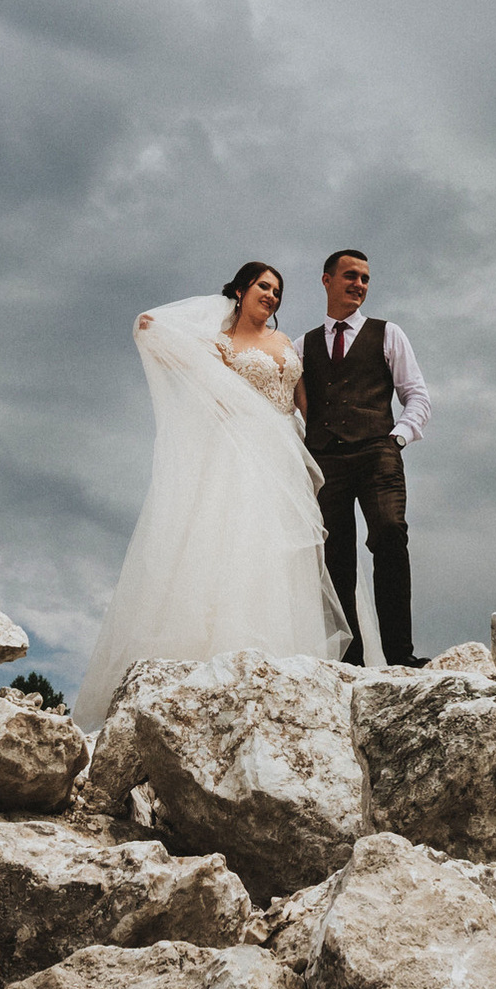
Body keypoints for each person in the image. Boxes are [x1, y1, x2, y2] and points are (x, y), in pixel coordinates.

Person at [73, 260, 353, 728]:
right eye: (263, 286)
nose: (271, 296)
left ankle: (279, 676)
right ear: (240, 292)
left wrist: (326, 449)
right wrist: (155, 329)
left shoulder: (285, 343)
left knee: (280, 554)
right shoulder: (219, 344)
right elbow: (159, 339)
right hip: (238, 455)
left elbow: (303, 403)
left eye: (277, 291)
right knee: (231, 545)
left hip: (285, 457)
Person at [297, 247, 431, 669]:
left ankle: (400, 655)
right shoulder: (303, 346)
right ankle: (350, 662)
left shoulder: (388, 333)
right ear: (327, 280)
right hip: (325, 460)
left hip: (378, 453)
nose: (359, 285)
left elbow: (416, 395)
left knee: (390, 534)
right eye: (351, 276)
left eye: (365, 279)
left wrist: (398, 438)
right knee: (335, 557)